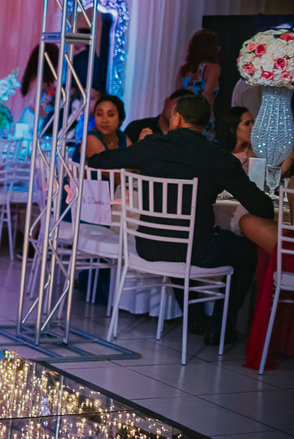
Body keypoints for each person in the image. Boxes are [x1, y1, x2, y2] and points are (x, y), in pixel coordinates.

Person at [87, 95, 278, 345]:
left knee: (179, 238)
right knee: (245, 251)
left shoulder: (151, 145)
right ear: (206, 124)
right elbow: (261, 207)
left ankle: (195, 317)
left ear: (176, 118)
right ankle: (220, 328)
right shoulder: (219, 158)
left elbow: (99, 161)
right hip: (196, 251)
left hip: (149, 246)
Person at [219, 105, 294, 175]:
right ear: (232, 129)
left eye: (253, 122)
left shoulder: (259, 148)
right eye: (247, 124)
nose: (253, 127)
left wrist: (275, 177)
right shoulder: (222, 158)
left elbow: (289, 153)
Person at [124, 87, 197, 143]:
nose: (180, 112)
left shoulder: (188, 138)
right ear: (167, 102)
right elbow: (123, 156)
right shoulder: (137, 127)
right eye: (178, 106)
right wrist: (139, 145)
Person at [177, 29, 221, 109]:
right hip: (202, 112)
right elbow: (208, 93)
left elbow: (177, 95)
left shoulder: (183, 69)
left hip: (184, 112)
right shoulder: (213, 67)